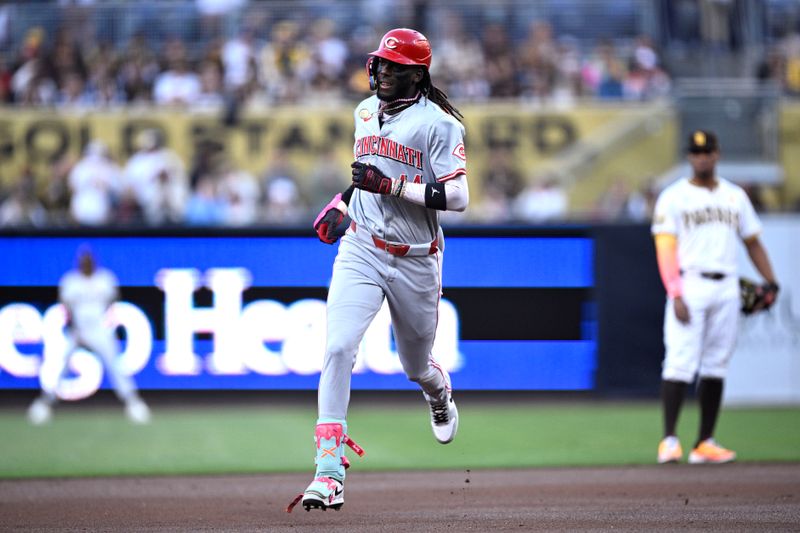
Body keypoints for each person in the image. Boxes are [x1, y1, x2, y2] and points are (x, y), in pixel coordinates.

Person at [288, 28, 469, 513]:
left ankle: (438, 389)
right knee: (339, 346)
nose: (383, 72)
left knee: (414, 365)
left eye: (394, 67)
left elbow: (458, 198)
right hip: (362, 245)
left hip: (415, 257)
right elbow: (365, 171)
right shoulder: (364, 112)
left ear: (416, 74)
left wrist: (389, 186)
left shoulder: (439, 125)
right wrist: (342, 201)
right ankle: (328, 471)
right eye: (381, 64)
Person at [651, 130, 779, 465]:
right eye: (696, 152)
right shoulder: (674, 197)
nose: (702, 157)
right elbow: (665, 248)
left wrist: (771, 281)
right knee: (680, 361)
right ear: (689, 157)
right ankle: (669, 440)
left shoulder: (734, 196)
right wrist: (675, 291)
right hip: (690, 283)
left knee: (716, 363)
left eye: (707, 151)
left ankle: (704, 442)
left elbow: (752, 241)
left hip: (727, 286)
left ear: (717, 154)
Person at [27, 246, 151, 425]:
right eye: (83, 261)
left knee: (115, 366)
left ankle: (133, 404)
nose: (86, 264)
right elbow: (65, 306)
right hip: (78, 330)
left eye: (89, 260)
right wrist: (74, 327)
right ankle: (45, 403)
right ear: (78, 262)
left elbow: (113, 301)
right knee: (60, 365)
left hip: (100, 330)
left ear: (94, 261)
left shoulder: (104, 279)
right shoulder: (71, 281)